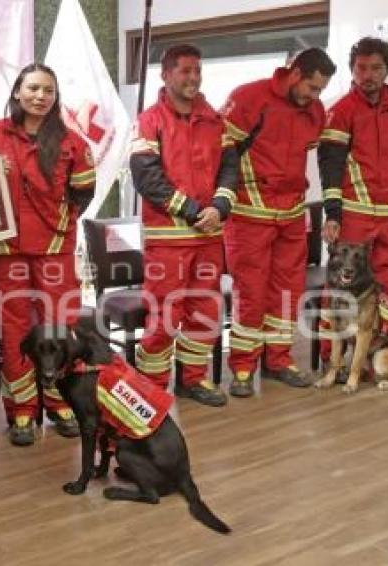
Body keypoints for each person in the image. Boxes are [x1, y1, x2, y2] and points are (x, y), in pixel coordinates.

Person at [0, 63, 95, 445]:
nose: (40, 96)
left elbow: (83, 192)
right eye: (32, 88)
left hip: (54, 247)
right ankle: (22, 411)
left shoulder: (72, 142)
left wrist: (61, 221)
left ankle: (60, 404)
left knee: (60, 327)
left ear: (55, 96)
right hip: (6, 248)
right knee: (14, 330)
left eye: (48, 90)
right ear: (17, 92)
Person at [221, 48, 337, 398]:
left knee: (288, 291)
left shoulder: (314, 112)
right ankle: (242, 366)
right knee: (251, 292)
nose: (315, 98)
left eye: (320, 91)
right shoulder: (248, 97)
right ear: (296, 72)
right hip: (249, 215)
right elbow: (224, 152)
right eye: (312, 88)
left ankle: (278, 359)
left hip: (291, 216)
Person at [130, 44, 238, 407]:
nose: (193, 77)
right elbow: (147, 177)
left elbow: (230, 167)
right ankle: (152, 386)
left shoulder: (214, 119)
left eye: (197, 70)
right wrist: (195, 211)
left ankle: (193, 379)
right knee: (164, 316)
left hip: (208, 236)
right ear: (166, 74)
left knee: (205, 310)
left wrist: (220, 206)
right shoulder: (150, 119)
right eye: (185, 71)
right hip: (169, 239)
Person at [318, 37, 388, 297]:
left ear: (387, 69)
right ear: (352, 71)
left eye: (376, 68)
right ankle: (333, 340)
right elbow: (330, 169)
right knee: (342, 291)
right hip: (353, 220)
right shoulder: (341, 112)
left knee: (386, 285)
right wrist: (332, 216)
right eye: (361, 68)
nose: (368, 75)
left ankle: (381, 338)